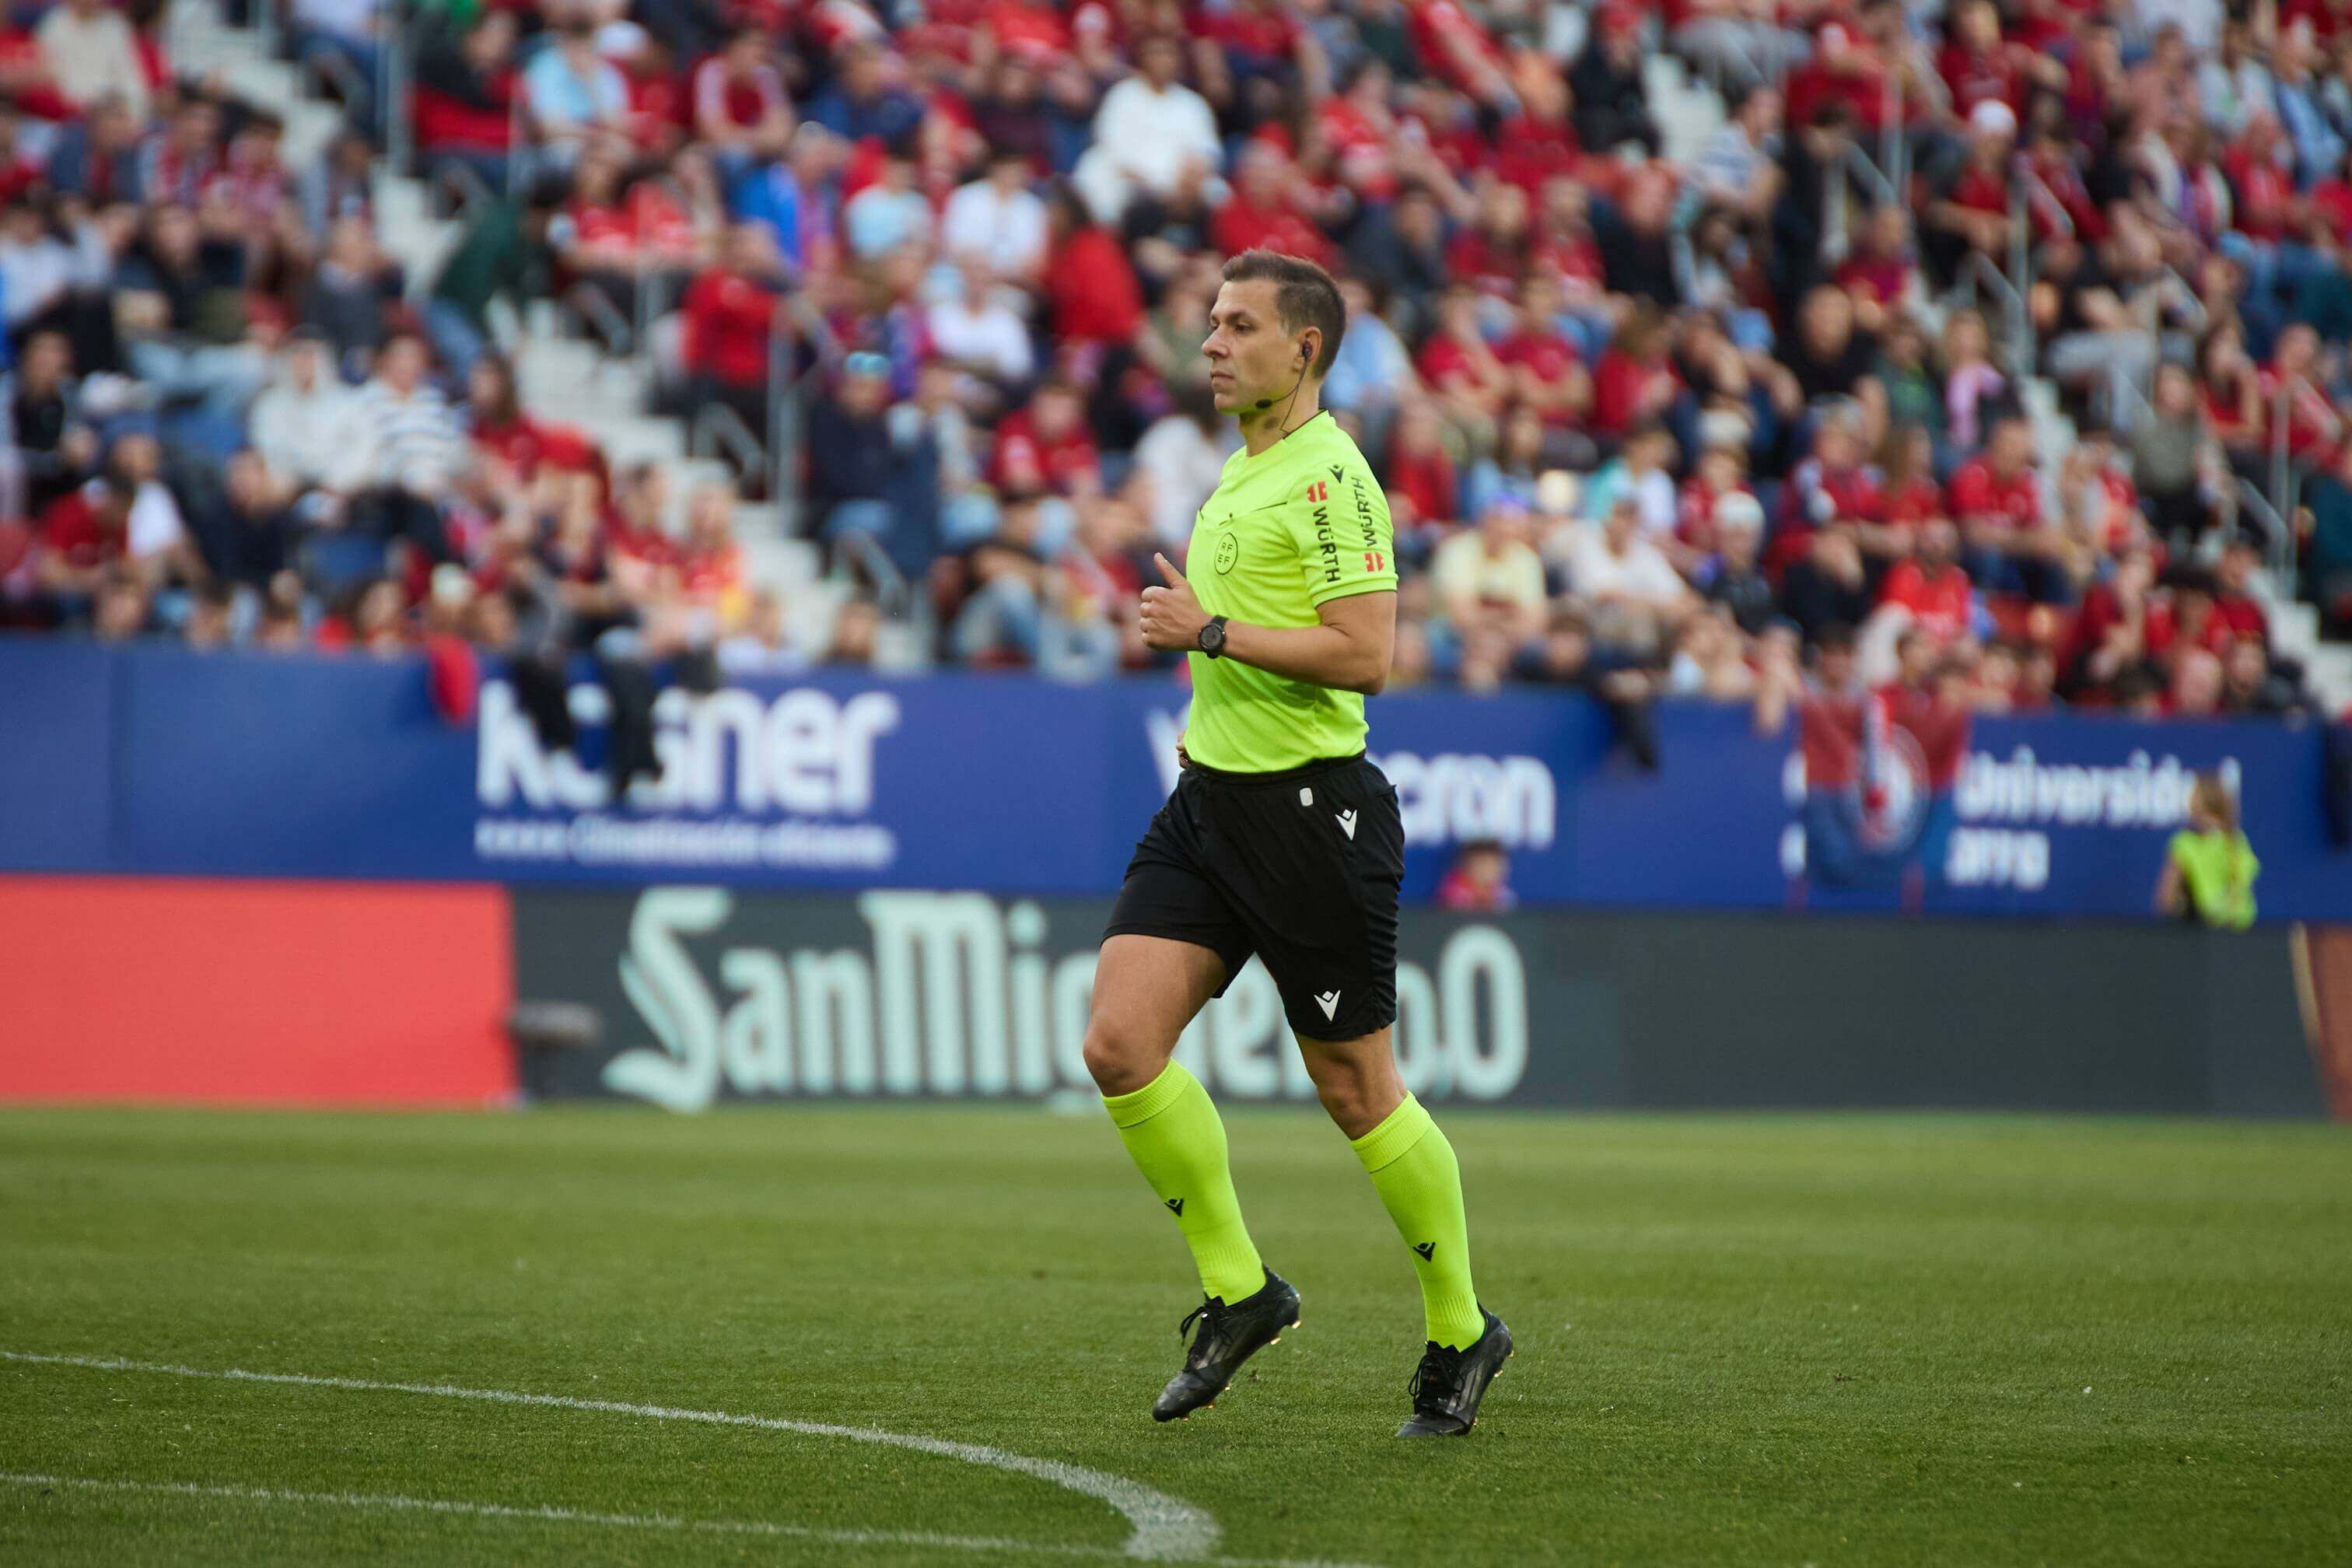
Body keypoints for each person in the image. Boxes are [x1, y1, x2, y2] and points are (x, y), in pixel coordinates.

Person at [1090, 249, 1510, 1439]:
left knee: (1356, 1088)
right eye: (1212, 323)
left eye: (1238, 326)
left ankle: (1462, 1327)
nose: (1213, 343)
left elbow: (1367, 652)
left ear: (1304, 348)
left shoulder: (1333, 482)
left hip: (1311, 814)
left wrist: (1211, 631)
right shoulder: (1247, 467)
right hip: (1209, 806)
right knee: (1121, 1044)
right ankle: (1239, 1293)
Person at [2156, 773, 2260, 930]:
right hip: (2242, 932)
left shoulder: (2186, 844)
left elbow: (2166, 899)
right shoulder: (2238, 840)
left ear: (2197, 803)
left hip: (2207, 936)